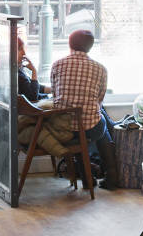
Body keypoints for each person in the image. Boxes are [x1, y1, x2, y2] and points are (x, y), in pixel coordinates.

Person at [51, 30, 117, 190]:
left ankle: (88, 178)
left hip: (62, 128)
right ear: (90, 46)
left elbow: (54, 94)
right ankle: (112, 175)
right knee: (100, 124)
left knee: (77, 132)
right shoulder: (100, 69)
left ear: (69, 43)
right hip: (90, 129)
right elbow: (99, 99)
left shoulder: (57, 65)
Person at [17, 37, 49, 102]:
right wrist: (34, 71)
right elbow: (33, 97)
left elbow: (34, 87)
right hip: (34, 106)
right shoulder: (17, 75)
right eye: (20, 49)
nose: (24, 53)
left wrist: (54, 89)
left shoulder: (19, 70)